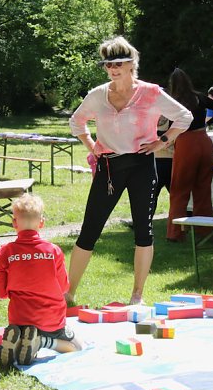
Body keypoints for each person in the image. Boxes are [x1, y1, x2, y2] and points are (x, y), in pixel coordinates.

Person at [66, 36, 192, 305]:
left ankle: (137, 295)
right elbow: (77, 121)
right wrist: (91, 144)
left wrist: (163, 140)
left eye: (119, 63)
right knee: (89, 229)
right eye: (108, 64)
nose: (113, 69)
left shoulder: (151, 93)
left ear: (131, 63)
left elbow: (185, 117)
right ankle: (68, 294)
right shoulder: (98, 95)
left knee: (143, 231)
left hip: (142, 165)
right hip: (109, 167)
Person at [0, 193, 83, 367]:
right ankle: (42, 342)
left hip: (19, 319)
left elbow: (1, 293)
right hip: (51, 320)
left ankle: (17, 341)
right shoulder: (53, 251)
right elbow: (64, 287)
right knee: (77, 346)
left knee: (21, 332)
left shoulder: (6, 252)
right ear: (41, 223)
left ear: (14, 223)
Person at [166, 69, 213, 242]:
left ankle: (176, 233)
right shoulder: (199, 97)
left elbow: (170, 126)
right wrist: (208, 122)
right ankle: (205, 230)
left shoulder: (174, 102)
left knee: (179, 189)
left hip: (186, 143)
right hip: (204, 141)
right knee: (203, 188)